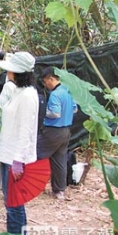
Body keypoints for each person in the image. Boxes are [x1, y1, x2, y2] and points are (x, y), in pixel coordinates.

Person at [0, 52, 39, 234]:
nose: (8, 73)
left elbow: (26, 129)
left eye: (11, 70)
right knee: (12, 201)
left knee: (14, 203)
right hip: (8, 154)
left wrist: (19, 159)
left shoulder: (28, 95)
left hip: (16, 157)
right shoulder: (18, 91)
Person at [37, 66, 77, 200]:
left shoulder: (55, 94)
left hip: (53, 131)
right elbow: (75, 110)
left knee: (32, 152)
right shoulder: (67, 91)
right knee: (59, 161)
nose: (45, 85)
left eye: (45, 81)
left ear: (51, 79)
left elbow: (55, 113)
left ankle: (29, 185)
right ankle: (59, 191)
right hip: (66, 131)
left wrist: (42, 112)